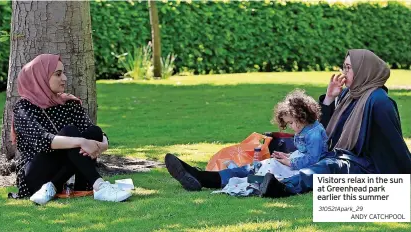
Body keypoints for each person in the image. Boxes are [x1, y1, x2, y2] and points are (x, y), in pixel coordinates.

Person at [164, 49, 411, 197]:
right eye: (343, 66)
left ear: (364, 70)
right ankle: (203, 178)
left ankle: (280, 188)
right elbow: (322, 130)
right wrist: (330, 98)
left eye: (349, 67)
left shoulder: (379, 101)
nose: (344, 73)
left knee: (321, 170)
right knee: (265, 164)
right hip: (335, 155)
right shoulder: (350, 95)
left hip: (359, 165)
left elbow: (394, 144)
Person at [11, 54, 131, 204]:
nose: (64, 78)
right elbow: (41, 140)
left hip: (63, 170)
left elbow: (93, 131)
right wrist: (80, 141)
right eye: (58, 74)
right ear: (40, 77)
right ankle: (99, 186)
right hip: (36, 174)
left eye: (63, 73)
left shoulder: (68, 103)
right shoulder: (24, 107)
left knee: (94, 132)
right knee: (70, 132)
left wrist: (104, 144)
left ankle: (55, 186)